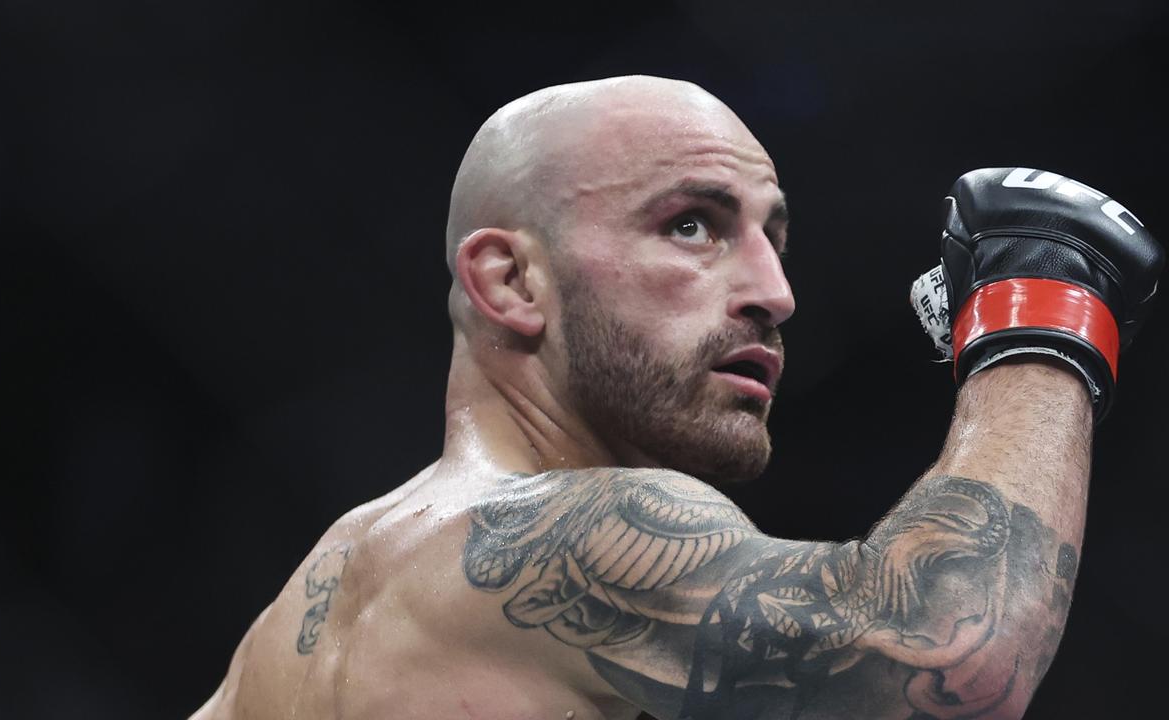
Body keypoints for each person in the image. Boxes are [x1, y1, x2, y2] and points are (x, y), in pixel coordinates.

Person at [190, 75, 1162, 720]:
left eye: (770, 239)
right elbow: (945, 655)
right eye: (691, 226)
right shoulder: (561, 532)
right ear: (510, 284)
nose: (772, 296)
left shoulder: (297, 618)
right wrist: (1044, 309)